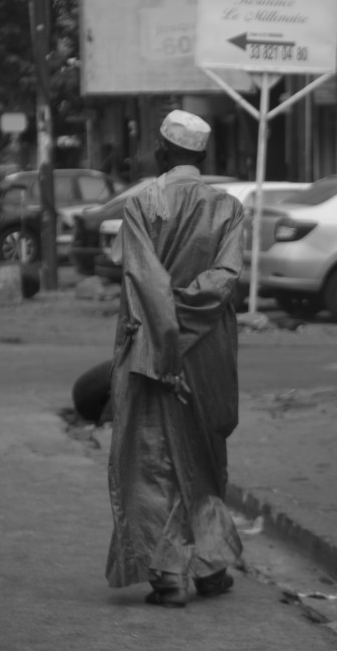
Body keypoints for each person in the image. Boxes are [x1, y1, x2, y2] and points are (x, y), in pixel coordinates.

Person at [105, 109, 245, 608]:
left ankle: (167, 574)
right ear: (202, 156)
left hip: (153, 347)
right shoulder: (228, 206)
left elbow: (144, 280)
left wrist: (166, 340)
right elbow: (226, 278)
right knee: (205, 457)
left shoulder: (144, 203)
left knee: (153, 460)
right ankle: (209, 566)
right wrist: (189, 324)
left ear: (162, 151)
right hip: (208, 353)